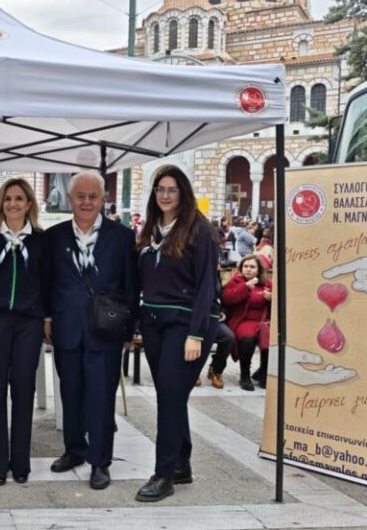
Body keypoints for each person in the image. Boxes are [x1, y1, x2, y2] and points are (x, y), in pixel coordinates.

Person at [43, 171, 138, 490]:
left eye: (93, 196)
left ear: (103, 199)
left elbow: (131, 284)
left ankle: (100, 461)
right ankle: (74, 449)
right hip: (67, 327)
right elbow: (47, 281)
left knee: (100, 397)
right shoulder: (54, 236)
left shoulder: (122, 237)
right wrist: (47, 317)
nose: (86, 202)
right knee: (70, 393)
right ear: (70, 199)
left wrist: (130, 329)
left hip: (106, 328)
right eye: (80, 196)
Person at [135, 167, 219, 502]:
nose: (165, 195)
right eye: (160, 189)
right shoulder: (150, 230)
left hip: (186, 325)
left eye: (172, 189)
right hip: (154, 322)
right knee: (171, 396)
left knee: (169, 397)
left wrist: (196, 334)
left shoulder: (200, 231)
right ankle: (182, 464)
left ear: (183, 193)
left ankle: (164, 474)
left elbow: (207, 286)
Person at [0, 178, 46, 486]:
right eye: (8, 199)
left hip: (29, 323)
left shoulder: (41, 240)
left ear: (29, 204)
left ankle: (21, 462)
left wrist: (45, 318)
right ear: (1, 204)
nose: (13, 204)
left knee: (24, 390)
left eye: (19, 198)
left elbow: (48, 282)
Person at [221, 254, 272, 391]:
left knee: (272, 338)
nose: (248, 269)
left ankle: (263, 372)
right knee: (248, 339)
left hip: (262, 322)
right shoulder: (235, 281)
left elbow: (278, 306)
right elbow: (227, 299)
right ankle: (245, 375)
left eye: (252, 267)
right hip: (242, 320)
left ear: (259, 269)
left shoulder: (267, 284)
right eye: (246, 266)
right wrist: (245, 288)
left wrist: (271, 299)